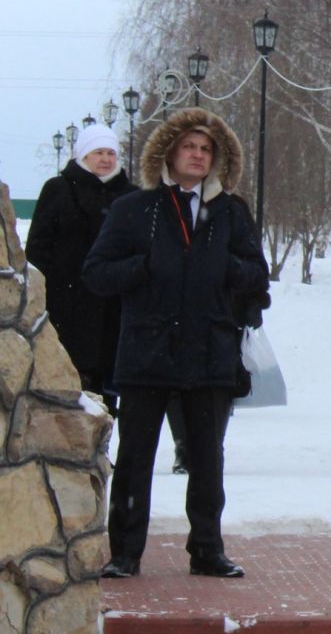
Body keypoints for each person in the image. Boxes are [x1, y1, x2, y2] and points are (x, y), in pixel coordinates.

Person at [83, 108, 270, 580]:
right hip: (147, 351)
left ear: (217, 158)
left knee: (207, 461)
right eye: (189, 146)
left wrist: (230, 269)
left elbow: (257, 274)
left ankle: (207, 550)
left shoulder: (231, 210)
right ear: (169, 152)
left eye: (206, 149)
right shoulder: (134, 208)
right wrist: (140, 268)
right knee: (135, 460)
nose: (198, 155)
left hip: (209, 352)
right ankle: (125, 552)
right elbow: (96, 273)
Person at [26, 123, 137, 411]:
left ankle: (101, 451)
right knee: (67, 385)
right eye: (98, 152)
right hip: (67, 305)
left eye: (111, 153)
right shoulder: (59, 189)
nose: (105, 159)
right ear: (83, 155)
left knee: (108, 388)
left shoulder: (131, 196)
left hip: (114, 308)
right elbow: (38, 247)